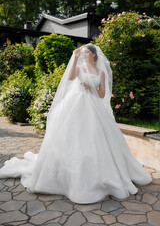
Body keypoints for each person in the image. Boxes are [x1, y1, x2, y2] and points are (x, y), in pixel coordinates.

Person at [0, 43, 152, 204]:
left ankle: (102, 175)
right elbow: (71, 77)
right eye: (83, 53)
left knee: (97, 137)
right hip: (76, 105)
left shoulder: (101, 72)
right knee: (73, 137)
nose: (84, 55)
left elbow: (101, 94)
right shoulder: (79, 67)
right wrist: (74, 57)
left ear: (93, 54)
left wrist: (91, 88)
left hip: (94, 107)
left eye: (86, 52)